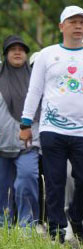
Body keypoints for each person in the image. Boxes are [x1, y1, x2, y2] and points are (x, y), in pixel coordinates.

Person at [20, 6, 83, 242]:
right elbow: (35, 91)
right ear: (62, 26)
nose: (79, 25)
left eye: (82, 22)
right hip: (52, 129)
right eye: (73, 21)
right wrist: (26, 122)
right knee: (55, 180)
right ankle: (56, 229)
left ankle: (76, 216)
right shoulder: (47, 55)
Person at [0, 36, 39, 228]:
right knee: (2, 189)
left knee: (27, 178)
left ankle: (27, 226)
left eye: (21, 49)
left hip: (28, 143)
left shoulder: (35, 79)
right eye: (12, 49)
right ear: (5, 54)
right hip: (2, 143)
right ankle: (3, 227)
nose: (17, 52)